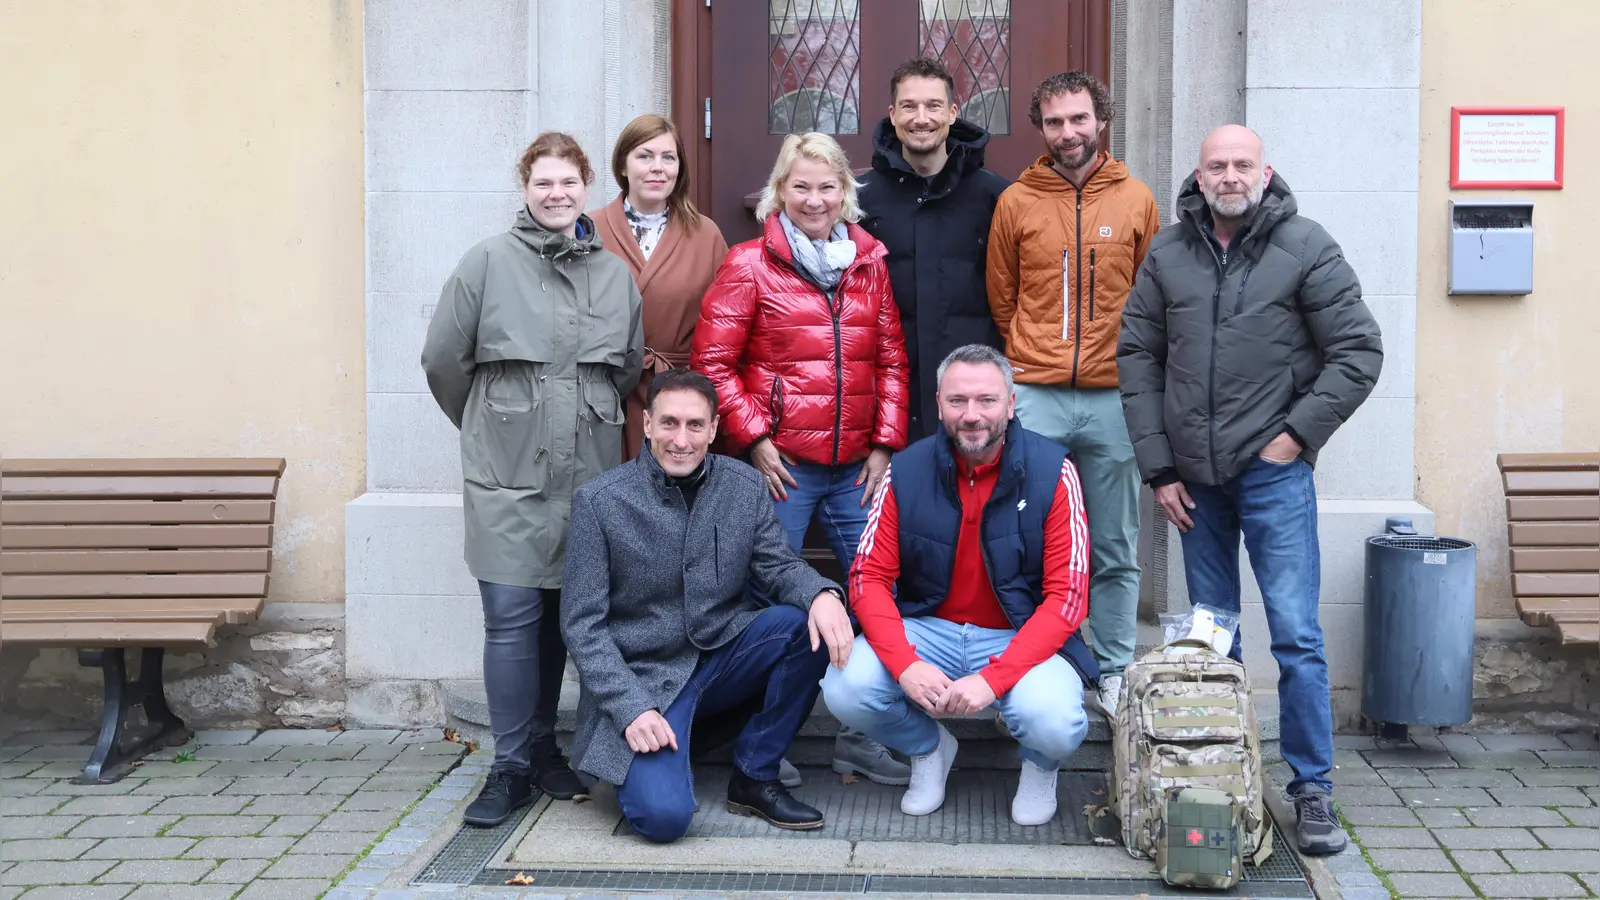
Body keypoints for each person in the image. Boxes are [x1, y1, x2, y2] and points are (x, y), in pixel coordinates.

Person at [1116, 124, 1383, 856]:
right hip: (1194, 483)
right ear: (1199, 177)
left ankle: (1312, 788)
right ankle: (1218, 778)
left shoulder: (1306, 247)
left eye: (1242, 164)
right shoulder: (1168, 253)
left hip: (1273, 475)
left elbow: (1358, 352)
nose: (1229, 175)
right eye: (1217, 166)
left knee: (1296, 636)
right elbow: (1137, 357)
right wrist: (1159, 469)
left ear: (1266, 173)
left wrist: (1294, 437)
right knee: (1213, 640)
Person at [421, 131, 644, 828]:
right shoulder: (486, 263)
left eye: (568, 182)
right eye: (543, 182)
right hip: (507, 481)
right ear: (525, 188)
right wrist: (495, 427)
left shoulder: (614, 277)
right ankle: (509, 767)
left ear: (586, 188)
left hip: (589, 481)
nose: (556, 194)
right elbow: (443, 363)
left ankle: (547, 752)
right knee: (512, 616)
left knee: (562, 619)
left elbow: (625, 371)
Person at [691, 131, 912, 787]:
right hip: (781, 467)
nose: (815, 200)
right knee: (773, 607)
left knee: (880, 592)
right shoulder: (748, 264)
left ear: (845, 193)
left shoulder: (869, 262)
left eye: (827, 187)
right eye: (801, 187)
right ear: (779, 192)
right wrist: (755, 438)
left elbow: (893, 361)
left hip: (856, 469)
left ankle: (862, 733)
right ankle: (763, 741)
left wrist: (884, 444)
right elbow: (712, 364)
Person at [560, 368, 855, 844]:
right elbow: (582, 626)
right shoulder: (600, 501)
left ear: (714, 429)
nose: (682, 440)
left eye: (695, 425)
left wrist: (822, 594)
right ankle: (658, 755)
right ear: (647, 424)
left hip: (721, 655)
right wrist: (631, 709)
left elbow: (778, 567)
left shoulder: (743, 485)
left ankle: (755, 774)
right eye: (669, 423)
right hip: (646, 680)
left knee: (804, 623)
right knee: (663, 820)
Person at [821, 344, 1097, 826]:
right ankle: (929, 748)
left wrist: (993, 679)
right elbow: (867, 578)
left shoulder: (1054, 471)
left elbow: (1067, 598)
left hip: (1017, 633)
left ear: (1011, 404)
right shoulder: (906, 470)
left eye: (987, 400)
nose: (972, 415)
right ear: (938, 404)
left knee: (1054, 721)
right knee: (845, 688)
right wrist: (905, 664)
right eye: (957, 401)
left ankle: (1039, 765)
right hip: (931, 631)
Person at [985, 72, 1160, 716]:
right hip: (1035, 391)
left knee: (1114, 542)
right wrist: (1034, 354)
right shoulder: (1016, 201)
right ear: (1041, 127)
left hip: (1114, 396)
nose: (1068, 133)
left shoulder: (1136, 199)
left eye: (1079, 119)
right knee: (1025, 536)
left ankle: (1113, 669)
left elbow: (1151, 300)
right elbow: (1002, 296)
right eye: (1055, 121)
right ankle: (1038, 663)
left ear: (1100, 121)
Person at [857, 56, 1009, 443]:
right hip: (889, 394)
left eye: (933, 105)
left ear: (953, 113)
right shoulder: (859, 201)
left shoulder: (997, 197)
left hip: (973, 396)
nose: (921, 118)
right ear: (893, 115)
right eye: (909, 106)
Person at [593, 114, 730, 462]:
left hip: (680, 398)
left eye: (668, 157)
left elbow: (727, 328)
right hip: (605, 394)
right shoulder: (589, 230)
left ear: (679, 168)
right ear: (623, 165)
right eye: (645, 156)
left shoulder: (705, 235)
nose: (658, 167)